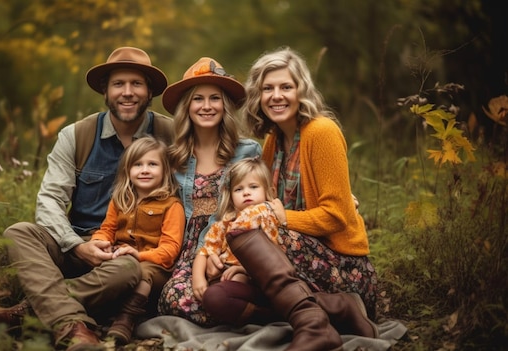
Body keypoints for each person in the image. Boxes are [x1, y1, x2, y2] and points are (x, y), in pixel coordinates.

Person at [0, 47, 174, 350]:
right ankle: (72, 323)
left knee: (128, 268)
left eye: (137, 84)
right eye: (118, 84)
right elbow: (49, 200)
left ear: (149, 90)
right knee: (18, 232)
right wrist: (77, 245)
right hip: (78, 246)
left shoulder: (171, 134)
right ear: (105, 89)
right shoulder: (76, 135)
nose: (128, 92)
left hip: (131, 257)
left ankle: (38, 317)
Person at [206, 46, 379, 350]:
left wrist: (282, 218)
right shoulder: (274, 142)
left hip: (340, 266)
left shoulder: (321, 131)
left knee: (246, 228)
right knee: (218, 298)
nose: (277, 96)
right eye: (267, 89)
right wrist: (249, 263)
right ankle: (336, 310)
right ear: (258, 97)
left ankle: (314, 326)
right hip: (294, 269)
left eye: (286, 87)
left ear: (302, 90)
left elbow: (337, 215)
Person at [156, 57, 262, 327]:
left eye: (214, 98)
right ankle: (250, 312)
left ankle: (252, 306)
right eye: (197, 99)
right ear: (187, 107)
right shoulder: (174, 156)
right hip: (191, 247)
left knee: (233, 284)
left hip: (238, 240)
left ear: (224, 105)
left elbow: (262, 199)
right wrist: (199, 265)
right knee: (176, 298)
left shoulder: (247, 151)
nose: (206, 106)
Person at [89, 136, 185, 345]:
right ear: (127, 170)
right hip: (121, 259)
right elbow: (107, 229)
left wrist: (139, 255)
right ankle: (95, 310)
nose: (144, 170)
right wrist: (99, 241)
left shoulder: (171, 205)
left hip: (156, 267)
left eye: (152, 164)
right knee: (105, 269)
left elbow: (170, 249)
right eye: (137, 164)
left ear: (165, 170)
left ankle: (127, 318)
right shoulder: (120, 200)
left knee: (143, 273)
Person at [192, 157, 283, 325]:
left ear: (268, 191)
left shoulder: (266, 217)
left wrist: (241, 269)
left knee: (234, 282)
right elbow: (204, 251)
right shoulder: (225, 223)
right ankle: (243, 309)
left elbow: (274, 255)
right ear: (231, 196)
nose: (246, 192)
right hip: (222, 274)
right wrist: (198, 278)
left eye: (253, 187)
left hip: (253, 275)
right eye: (239, 189)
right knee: (205, 296)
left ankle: (260, 313)